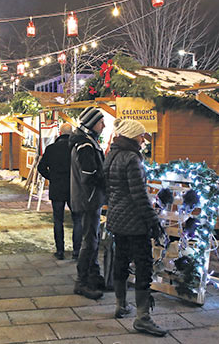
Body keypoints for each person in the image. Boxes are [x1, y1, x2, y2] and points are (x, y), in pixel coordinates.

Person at [105, 119, 167, 337]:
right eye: (141, 135)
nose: (143, 139)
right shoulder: (132, 158)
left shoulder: (112, 155)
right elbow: (139, 195)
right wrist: (153, 221)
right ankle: (143, 318)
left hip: (117, 218)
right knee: (143, 265)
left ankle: (120, 305)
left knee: (121, 260)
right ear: (132, 136)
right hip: (134, 221)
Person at [69, 107, 107, 300]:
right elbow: (89, 175)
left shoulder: (87, 142)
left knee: (93, 239)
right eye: (101, 122)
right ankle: (82, 281)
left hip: (89, 198)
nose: (104, 126)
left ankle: (93, 276)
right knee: (89, 241)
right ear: (92, 124)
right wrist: (106, 179)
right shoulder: (86, 145)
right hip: (88, 199)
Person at [37, 123, 82, 260]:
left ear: (60, 133)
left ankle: (60, 251)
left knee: (58, 220)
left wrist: (52, 178)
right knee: (77, 220)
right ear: (72, 133)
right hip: (73, 188)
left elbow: (41, 167)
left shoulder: (51, 149)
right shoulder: (76, 148)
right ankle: (76, 251)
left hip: (57, 188)